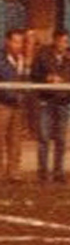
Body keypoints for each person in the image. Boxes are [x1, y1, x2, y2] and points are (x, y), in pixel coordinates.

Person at [31, 28, 70, 183]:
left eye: (66, 41)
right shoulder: (42, 55)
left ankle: (58, 172)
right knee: (44, 137)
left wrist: (69, 94)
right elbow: (34, 75)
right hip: (46, 101)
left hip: (63, 102)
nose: (63, 44)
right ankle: (42, 173)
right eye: (61, 41)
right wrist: (46, 78)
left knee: (61, 138)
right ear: (54, 41)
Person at [0, 28, 27, 183]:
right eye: (16, 41)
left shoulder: (23, 60)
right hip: (2, 104)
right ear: (7, 42)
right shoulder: (1, 59)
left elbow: (26, 80)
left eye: (21, 42)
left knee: (15, 140)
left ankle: (13, 172)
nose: (19, 45)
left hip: (18, 105)